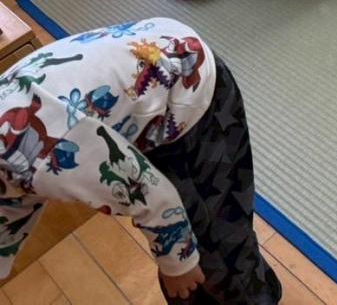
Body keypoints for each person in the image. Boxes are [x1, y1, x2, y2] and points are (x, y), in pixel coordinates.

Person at [0, 18, 280, 304]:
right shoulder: (16, 163)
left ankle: (254, 294)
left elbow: (153, 196)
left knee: (218, 245)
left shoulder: (41, 156)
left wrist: (178, 265)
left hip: (186, 84)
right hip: (140, 93)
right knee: (192, 247)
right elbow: (9, 209)